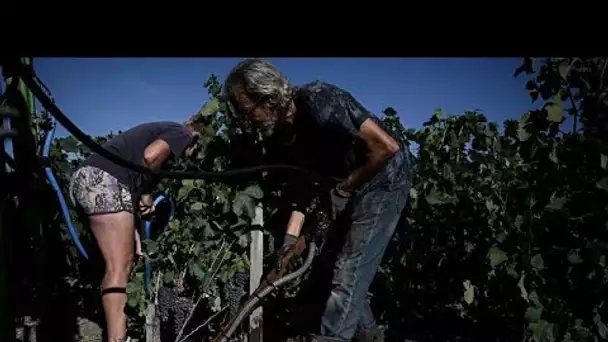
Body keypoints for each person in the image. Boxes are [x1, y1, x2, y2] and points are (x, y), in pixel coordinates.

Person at [223, 59, 413, 342]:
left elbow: (385, 147)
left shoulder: (320, 100)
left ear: (267, 95)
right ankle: (369, 337)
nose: (248, 119)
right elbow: (302, 191)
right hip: (351, 185)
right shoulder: (285, 136)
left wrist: (343, 190)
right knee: (328, 267)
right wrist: (289, 243)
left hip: (384, 180)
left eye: (247, 110)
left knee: (349, 268)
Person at [69, 120, 201, 342]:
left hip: (88, 180)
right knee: (118, 268)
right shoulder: (183, 132)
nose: (191, 155)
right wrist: (148, 191)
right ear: (197, 137)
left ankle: (116, 330)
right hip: (104, 181)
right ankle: (117, 339)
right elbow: (151, 157)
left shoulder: (160, 129)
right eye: (195, 150)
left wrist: (134, 231)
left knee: (118, 262)